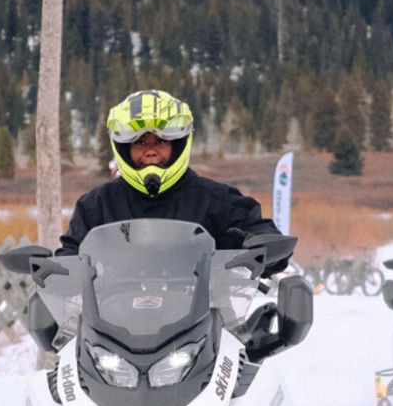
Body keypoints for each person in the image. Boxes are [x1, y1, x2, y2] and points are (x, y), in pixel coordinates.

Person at [56, 89, 286, 273]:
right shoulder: (97, 204)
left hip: (205, 319)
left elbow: (257, 227)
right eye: (140, 143)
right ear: (124, 148)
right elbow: (71, 254)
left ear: (177, 145)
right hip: (111, 323)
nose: (151, 152)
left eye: (160, 141)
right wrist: (54, 271)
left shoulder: (215, 199)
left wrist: (261, 245)